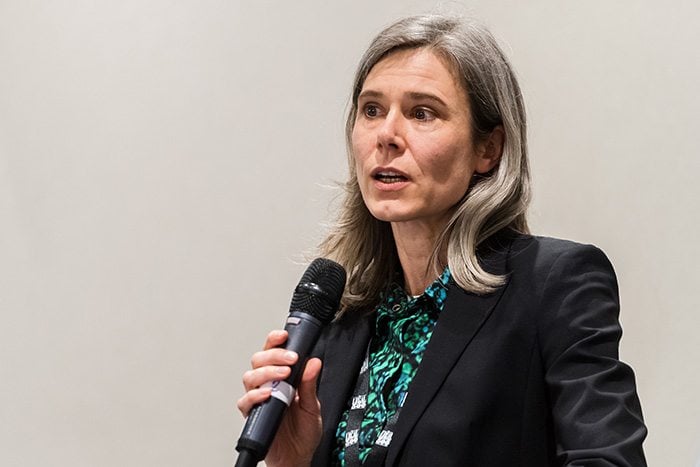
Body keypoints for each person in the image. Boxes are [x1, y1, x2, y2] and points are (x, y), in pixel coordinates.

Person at [237, 14, 647, 467]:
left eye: (422, 113)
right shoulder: (339, 323)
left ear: (487, 149)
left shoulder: (553, 285)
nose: (387, 135)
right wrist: (294, 463)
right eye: (371, 110)